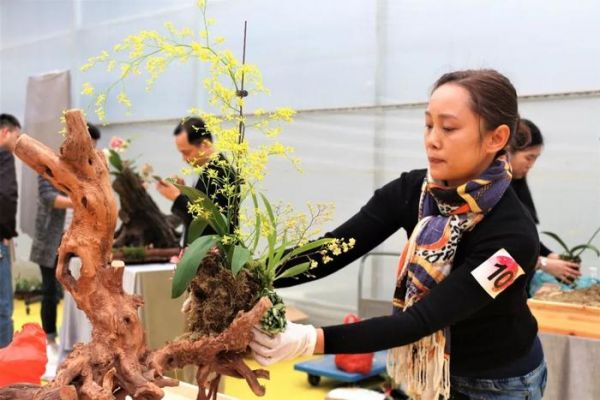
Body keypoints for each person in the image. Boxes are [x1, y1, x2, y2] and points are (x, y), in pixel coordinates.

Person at [250, 70, 547, 400]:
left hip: (495, 383)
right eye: (428, 124)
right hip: (422, 373)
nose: (432, 139)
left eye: (448, 128)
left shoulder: (513, 237)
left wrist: (309, 340)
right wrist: (245, 277)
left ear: (495, 138)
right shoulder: (413, 191)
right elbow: (333, 249)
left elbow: (421, 320)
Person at [30, 123, 101, 353]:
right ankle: (50, 339)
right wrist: (78, 199)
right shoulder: (51, 164)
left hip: (80, 241)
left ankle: (78, 338)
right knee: (50, 290)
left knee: (80, 289)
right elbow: (47, 196)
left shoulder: (89, 168)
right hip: (51, 239)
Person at [508, 119, 581, 287]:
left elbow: (524, 238)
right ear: (508, 151)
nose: (531, 165)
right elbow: (502, 250)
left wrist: (550, 255)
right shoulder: (494, 194)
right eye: (528, 157)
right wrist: (544, 264)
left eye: (535, 158)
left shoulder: (517, 185)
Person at [156, 117, 238, 244]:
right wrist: (184, 193)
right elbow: (202, 208)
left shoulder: (221, 173)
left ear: (205, 144)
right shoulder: (209, 170)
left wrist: (177, 198)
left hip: (214, 253)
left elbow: (209, 222)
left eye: (186, 152)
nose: (184, 159)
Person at [0, 114, 21, 348]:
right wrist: (5, 232)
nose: (17, 143)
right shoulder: (4, 156)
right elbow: (5, 196)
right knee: (2, 307)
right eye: (16, 136)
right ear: (5, 132)